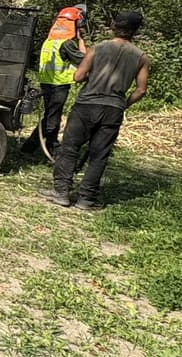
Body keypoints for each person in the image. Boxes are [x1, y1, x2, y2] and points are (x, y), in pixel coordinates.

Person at [38, 11, 150, 210]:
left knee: (70, 148)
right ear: (135, 31)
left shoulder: (98, 48)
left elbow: (78, 76)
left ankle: (62, 192)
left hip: (87, 105)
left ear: (114, 26)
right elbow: (141, 90)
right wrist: (123, 103)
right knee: (99, 155)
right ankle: (86, 199)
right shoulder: (141, 57)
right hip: (113, 109)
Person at [21, 5, 88, 157]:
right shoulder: (66, 44)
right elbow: (85, 60)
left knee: (52, 116)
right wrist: (81, 39)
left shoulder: (49, 41)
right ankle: (35, 147)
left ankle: (48, 146)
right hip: (59, 85)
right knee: (52, 119)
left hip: (47, 83)